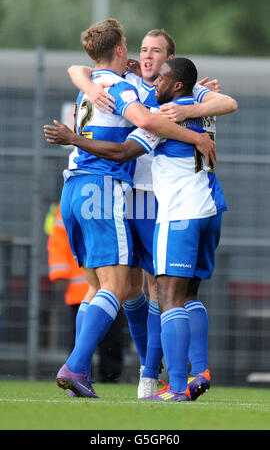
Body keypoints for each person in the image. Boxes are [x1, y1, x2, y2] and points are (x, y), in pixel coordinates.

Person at [45, 56, 232, 401]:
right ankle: (198, 369)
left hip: (176, 212)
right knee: (187, 293)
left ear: (175, 83)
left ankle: (174, 387)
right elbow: (229, 102)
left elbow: (122, 150)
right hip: (210, 206)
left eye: (160, 76)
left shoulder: (159, 115)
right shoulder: (203, 103)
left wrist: (74, 138)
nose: (153, 77)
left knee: (166, 296)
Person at [47, 202, 126, 383]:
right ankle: (90, 372)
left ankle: (99, 374)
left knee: (102, 336)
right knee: (99, 334)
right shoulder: (112, 196)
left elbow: (57, 241)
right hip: (101, 287)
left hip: (88, 287)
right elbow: (58, 241)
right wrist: (60, 273)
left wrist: (60, 272)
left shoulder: (69, 199)